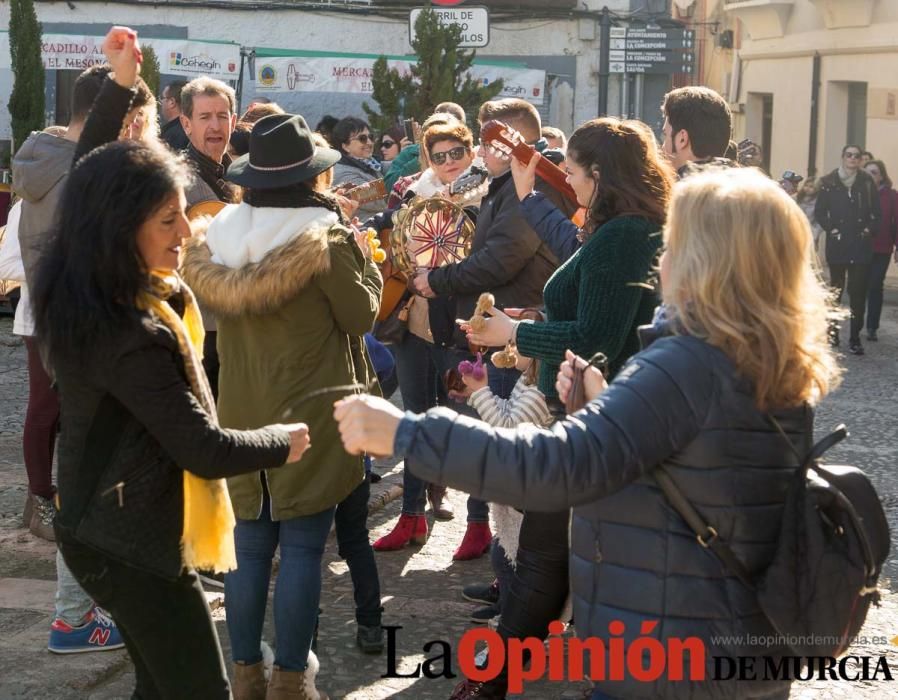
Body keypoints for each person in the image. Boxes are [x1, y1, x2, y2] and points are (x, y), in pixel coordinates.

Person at [334, 166, 842, 700]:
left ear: (704, 260)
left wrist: (409, 433)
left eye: (673, 242)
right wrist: (606, 407)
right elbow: (697, 471)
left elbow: (556, 468)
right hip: (735, 639)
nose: (661, 257)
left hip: (670, 650)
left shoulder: (689, 360)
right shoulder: (770, 355)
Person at [31, 26, 311, 699]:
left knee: (158, 689)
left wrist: (123, 83)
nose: (187, 234)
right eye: (167, 221)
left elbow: (90, 177)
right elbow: (204, 449)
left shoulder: (87, 283)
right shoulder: (129, 329)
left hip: (103, 531)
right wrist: (290, 438)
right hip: (128, 547)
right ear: (120, 229)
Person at [450, 117, 673, 699]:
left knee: (546, 560)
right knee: (550, 558)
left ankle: (493, 680)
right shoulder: (620, 227)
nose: (567, 181)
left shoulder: (626, 233)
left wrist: (516, 336)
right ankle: (498, 678)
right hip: (586, 410)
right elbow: (592, 313)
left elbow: (601, 336)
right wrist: (527, 324)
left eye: (572, 171)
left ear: (599, 174)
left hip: (590, 413)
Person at [181, 112, 382, 699]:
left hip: (241, 407)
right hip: (313, 413)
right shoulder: (327, 237)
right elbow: (362, 315)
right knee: (300, 549)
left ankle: (245, 674)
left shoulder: (217, 235)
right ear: (311, 176)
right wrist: (368, 266)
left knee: (247, 549)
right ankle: (291, 680)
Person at [12, 60, 154, 654]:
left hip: (60, 331)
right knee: (99, 477)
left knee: (89, 472)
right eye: (139, 120)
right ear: (124, 118)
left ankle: (88, 607)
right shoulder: (89, 171)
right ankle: (75, 615)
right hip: (96, 336)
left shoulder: (38, 163)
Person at [411, 98, 576, 561]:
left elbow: (502, 257)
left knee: (510, 458)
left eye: (489, 142)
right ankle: (509, 571)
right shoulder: (505, 184)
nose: (481, 153)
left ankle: (517, 578)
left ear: (513, 141)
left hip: (516, 337)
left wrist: (439, 279)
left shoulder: (532, 185)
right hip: (501, 330)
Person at [370, 119, 482, 553]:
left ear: (471, 153)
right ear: (428, 159)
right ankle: (411, 517)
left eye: (458, 153)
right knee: (415, 422)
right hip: (413, 326)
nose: (450, 162)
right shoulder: (415, 193)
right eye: (441, 156)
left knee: (471, 426)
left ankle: (479, 524)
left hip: (464, 332)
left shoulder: (489, 196)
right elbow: (386, 222)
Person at [179, 76, 240, 403]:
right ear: (187, 124)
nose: (215, 125)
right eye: (205, 117)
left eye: (222, 116)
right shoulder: (176, 178)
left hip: (237, 320)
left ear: (233, 120)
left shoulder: (243, 175)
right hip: (199, 323)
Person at [814, 144, 881, 354]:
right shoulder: (828, 182)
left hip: (860, 245)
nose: (853, 159)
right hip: (838, 243)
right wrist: (831, 229)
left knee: (858, 294)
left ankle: (854, 338)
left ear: (861, 160)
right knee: (835, 291)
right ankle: (832, 333)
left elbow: (876, 213)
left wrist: (869, 230)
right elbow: (820, 212)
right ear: (843, 157)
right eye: (849, 155)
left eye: (857, 156)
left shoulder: (866, 182)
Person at [384, 101, 467, 191]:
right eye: (439, 127)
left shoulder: (469, 152)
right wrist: (422, 157)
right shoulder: (411, 152)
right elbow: (388, 187)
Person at [660, 86, 733, 177]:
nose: (662, 148)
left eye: (665, 135)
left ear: (682, 139)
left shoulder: (679, 190)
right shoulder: (747, 186)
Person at [863, 159, 898, 341]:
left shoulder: (891, 195)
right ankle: (856, 325)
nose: (870, 176)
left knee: (875, 285)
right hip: (859, 248)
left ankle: (872, 327)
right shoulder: (858, 193)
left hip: (882, 248)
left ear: (882, 176)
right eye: (867, 172)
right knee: (859, 287)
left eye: (874, 172)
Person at [331, 116, 385, 219]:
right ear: (345, 146)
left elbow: (391, 167)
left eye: (371, 137)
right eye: (362, 138)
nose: (369, 142)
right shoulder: (341, 173)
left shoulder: (370, 163)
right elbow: (380, 200)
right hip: (367, 231)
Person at [159, 80, 189, 151]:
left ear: (172, 102)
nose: (160, 102)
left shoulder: (172, 135)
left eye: (162, 98)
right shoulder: (191, 129)